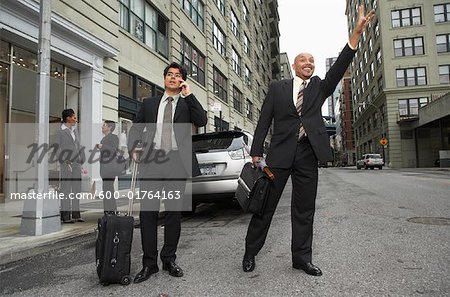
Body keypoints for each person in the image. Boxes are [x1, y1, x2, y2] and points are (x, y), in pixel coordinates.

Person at [242, 5, 375, 276]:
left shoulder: (319, 88)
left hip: (306, 155)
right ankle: (250, 252)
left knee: (304, 210)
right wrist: (256, 151)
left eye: (312, 61)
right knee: (265, 207)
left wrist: (356, 34)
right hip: (278, 155)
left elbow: (339, 67)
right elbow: (264, 120)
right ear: (294, 65)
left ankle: (301, 258)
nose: (308, 64)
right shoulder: (277, 88)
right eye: (303, 60)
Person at [128, 62, 207, 283]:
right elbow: (135, 128)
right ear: (164, 79)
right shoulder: (150, 103)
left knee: (173, 214)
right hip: (152, 161)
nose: (173, 78)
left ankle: (169, 259)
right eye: (169, 75)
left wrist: (189, 95)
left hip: (176, 163)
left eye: (177, 75)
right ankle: (149, 264)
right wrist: (133, 148)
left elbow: (201, 120)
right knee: (148, 213)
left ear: (182, 80)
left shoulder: (186, 104)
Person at [54, 108, 86, 223]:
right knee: (66, 190)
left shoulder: (75, 131)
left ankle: (76, 215)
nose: (75, 119)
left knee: (77, 190)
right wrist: (63, 160)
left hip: (77, 163)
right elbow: (56, 148)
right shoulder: (59, 132)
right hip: (66, 165)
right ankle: (65, 217)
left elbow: (78, 146)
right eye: (74, 117)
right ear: (68, 118)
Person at [97, 120, 119, 214]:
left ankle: (111, 210)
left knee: (108, 189)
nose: (102, 127)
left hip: (110, 168)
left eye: (104, 125)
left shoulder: (114, 137)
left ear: (109, 127)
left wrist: (103, 146)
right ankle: (109, 210)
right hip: (105, 168)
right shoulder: (104, 138)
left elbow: (114, 150)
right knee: (106, 189)